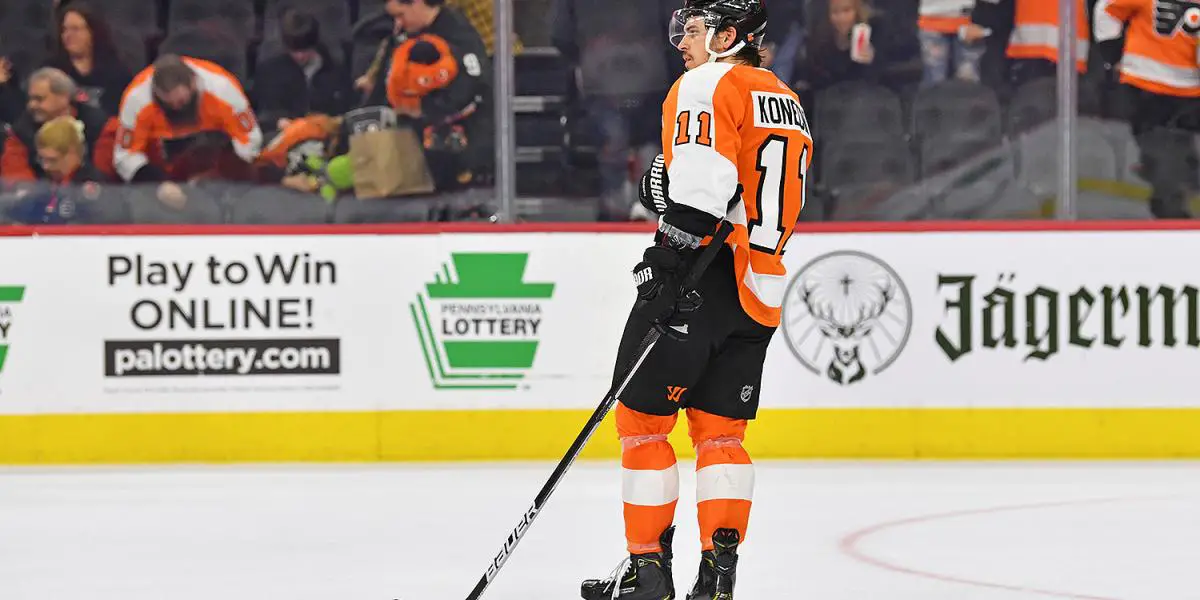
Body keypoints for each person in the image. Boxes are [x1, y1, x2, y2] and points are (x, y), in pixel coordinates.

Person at [580, 1, 811, 599]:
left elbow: (704, 187)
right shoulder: (785, 98)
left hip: (700, 277)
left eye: (695, 27)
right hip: (758, 288)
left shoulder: (707, 80)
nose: (682, 38)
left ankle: (647, 569)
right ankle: (716, 576)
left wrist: (665, 262)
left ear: (728, 36)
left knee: (641, 424)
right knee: (722, 436)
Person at [113, 54, 263, 183]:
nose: (176, 108)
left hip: (218, 171)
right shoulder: (137, 99)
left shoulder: (223, 90)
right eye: (167, 104)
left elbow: (250, 140)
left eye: (181, 102)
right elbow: (125, 156)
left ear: (193, 84)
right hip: (162, 173)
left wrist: (223, 173)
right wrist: (160, 184)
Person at [1, 67, 117, 182]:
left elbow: (105, 180)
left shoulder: (101, 126)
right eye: (30, 99)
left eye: (39, 99)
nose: (31, 105)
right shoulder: (21, 131)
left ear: (64, 97)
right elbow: (16, 178)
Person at [254, 9, 354, 132]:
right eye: (294, 51)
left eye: (305, 50)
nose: (300, 56)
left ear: (314, 44)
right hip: (284, 136)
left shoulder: (334, 68)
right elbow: (263, 112)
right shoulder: (270, 69)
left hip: (327, 134)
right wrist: (278, 121)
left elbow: (346, 109)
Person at [44, 3, 134, 117]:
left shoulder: (118, 73)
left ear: (93, 32)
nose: (67, 35)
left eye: (75, 29)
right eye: (64, 30)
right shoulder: (51, 71)